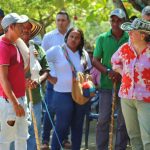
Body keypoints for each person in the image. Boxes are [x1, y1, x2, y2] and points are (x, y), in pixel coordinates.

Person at [46, 27, 92, 150]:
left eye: (77, 38)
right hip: (62, 94)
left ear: (80, 40)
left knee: (77, 127)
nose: (73, 39)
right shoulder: (57, 50)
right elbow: (41, 60)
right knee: (62, 125)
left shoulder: (84, 54)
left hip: (80, 94)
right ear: (67, 37)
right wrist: (50, 76)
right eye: (71, 36)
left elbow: (88, 71)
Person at [93, 8, 129, 150]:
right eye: (112, 20)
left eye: (118, 20)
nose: (115, 23)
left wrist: (121, 73)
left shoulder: (130, 38)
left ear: (123, 22)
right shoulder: (102, 38)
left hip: (125, 87)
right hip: (107, 86)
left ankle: (120, 147)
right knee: (103, 120)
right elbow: (95, 60)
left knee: (123, 122)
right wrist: (108, 71)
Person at [111, 18, 150, 150]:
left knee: (148, 137)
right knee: (133, 136)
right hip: (126, 97)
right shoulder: (125, 48)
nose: (129, 34)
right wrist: (124, 73)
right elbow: (114, 62)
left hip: (146, 99)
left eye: (132, 32)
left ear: (143, 35)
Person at [0, 13, 30, 150]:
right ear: (11, 27)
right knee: (5, 140)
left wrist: (25, 83)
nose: (23, 28)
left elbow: (16, 74)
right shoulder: (3, 46)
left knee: (22, 137)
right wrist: (15, 103)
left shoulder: (15, 45)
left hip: (20, 100)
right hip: (10, 103)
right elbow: (3, 79)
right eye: (19, 26)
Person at [41, 10, 70, 149]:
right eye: (58, 20)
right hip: (53, 80)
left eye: (63, 20)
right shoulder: (48, 36)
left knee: (66, 111)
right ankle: (45, 140)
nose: (60, 22)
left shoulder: (73, 35)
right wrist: (49, 77)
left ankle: (65, 138)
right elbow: (42, 60)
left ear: (68, 22)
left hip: (68, 83)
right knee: (50, 110)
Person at [20, 19, 50, 150]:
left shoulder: (38, 49)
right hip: (16, 98)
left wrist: (38, 80)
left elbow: (46, 71)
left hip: (35, 98)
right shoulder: (11, 47)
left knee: (34, 131)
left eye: (28, 28)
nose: (26, 30)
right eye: (23, 28)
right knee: (16, 132)